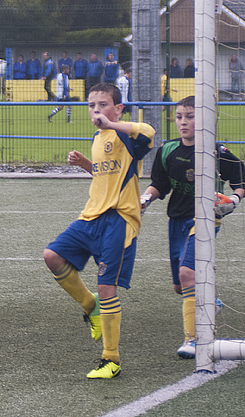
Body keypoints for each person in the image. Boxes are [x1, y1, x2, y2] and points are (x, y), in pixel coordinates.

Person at [43, 83, 154, 379]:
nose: (96, 111)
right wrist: (84, 164)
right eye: (92, 106)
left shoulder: (125, 135)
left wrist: (113, 123)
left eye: (103, 104)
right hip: (91, 216)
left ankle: (111, 359)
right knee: (52, 255)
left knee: (107, 287)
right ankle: (89, 306)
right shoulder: (98, 137)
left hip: (118, 219)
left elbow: (149, 133)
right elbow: (105, 174)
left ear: (118, 108)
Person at [140, 96, 245, 359]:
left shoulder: (215, 152)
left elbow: (241, 180)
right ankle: (211, 302)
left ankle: (194, 339)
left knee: (188, 273)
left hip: (207, 219)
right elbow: (160, 185)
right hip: (177, 219)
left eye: (190, 116)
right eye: (179, 117)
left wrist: (233, 200)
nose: (183, 122)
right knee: (180, 285)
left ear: (204, 119)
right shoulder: (168, 150)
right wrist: (145, 198)